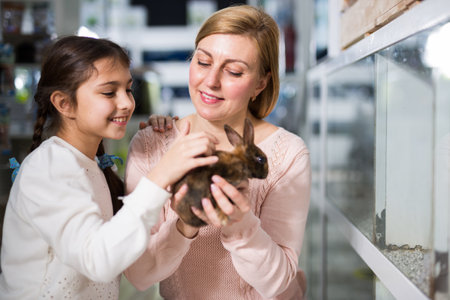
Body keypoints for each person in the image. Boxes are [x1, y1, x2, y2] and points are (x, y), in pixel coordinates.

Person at [0, 36, 218, 299]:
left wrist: (186, 223)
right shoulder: (49, 166)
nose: (126, 103)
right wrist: (161, 174)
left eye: (128, 89)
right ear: (63, 103)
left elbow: (133, 265)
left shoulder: (89, 165)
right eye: (108, 92)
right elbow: (98, 261)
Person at [124, 4, 311, 299]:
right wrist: (185, 223)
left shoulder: (287, 154)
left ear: (260, 83)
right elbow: (138, 274)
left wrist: (241, 224)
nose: (210, 81)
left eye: (234, 71)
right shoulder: (152, 144)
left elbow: (277, 282)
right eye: (202, 61)